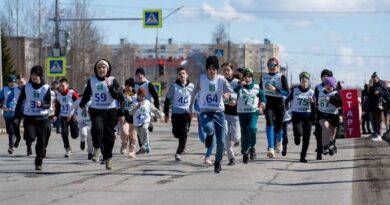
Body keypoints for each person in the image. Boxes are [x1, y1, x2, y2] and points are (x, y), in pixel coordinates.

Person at [189, 55, 234, 173]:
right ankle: (210, 135)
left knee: (221, 141)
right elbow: (193, 94)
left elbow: (232, 92)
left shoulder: (221, 79)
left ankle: (217, 162)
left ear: (217, 69)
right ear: (206, 69)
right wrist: (190, 108)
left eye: (214, 68)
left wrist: (228, 95)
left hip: (219, 111)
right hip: (205, 110)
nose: (211, 70)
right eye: (209, 68)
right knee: (208, 127)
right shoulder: (201, 79)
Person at [79, 59, 124, 170]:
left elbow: (118, 96)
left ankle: (108, 158)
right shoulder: (92, 80)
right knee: (97, 129)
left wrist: (111, 87)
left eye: (104, 67)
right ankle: (97, 148)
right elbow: (87, 94)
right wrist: (82, 104)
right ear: (96, 69)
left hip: (110, 112)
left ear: (107, 69)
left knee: (110, 138)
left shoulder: (112, 80)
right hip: (96, 110)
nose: (101, 69)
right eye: (99, 67)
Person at [14, 65, 51, 171]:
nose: (34, 77)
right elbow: (20, 102)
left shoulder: (46, 87)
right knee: (30, 137)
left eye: (36, 75)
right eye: (33, 75)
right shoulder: (27, 87)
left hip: (42, 118)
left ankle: (38, 162)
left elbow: (48, 103)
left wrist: (42, 104)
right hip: (29, 117)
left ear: (40, 75)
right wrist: (17, 116)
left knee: (41, 142)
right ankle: (30, 144)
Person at [259, 57, 289, 158]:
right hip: (268, 102)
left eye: (273, 65)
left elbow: (287, 92)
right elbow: (260, 91)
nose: (271, 68)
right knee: (269, 123)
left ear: (278, 66)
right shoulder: (264, 77)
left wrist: (276, 89)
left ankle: (279, 141)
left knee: (278, 127)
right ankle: (271, 147)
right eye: (269, 65)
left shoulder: (281, 77)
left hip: (279, 103)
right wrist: (260, 102)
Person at [235, 68, 266, 164]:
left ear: (252, 78)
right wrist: (240, 86)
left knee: (252, 129)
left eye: (249, 77)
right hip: (242, 113)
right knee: (244, 133)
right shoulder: (239, 87)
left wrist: (262, 104)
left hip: (253, 112)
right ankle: (245, 151)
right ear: (243, 78)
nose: (247, 79)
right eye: (245, 77)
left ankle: (252, 147)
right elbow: (232, 93)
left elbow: (263, 97)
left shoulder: (256, 87)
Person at [164, 67, 194, 161]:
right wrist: (166, 114)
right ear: (178, 76)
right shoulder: (174, 86)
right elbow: (167, 99)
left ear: (187, 75)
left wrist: (195, 110)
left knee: (184, 133)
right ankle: (182, 144)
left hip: (186, 113)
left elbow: (196, 99)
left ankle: (178, 152)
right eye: (180, 74)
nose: (182, 75)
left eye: (183, 73)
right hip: (176, 113)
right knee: (176, 133)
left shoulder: (192, 86)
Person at [285, 72, 315, 162]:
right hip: (297, 116)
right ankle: (296, 136)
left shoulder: (312, 92)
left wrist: (312, 103)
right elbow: (286, 101)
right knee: (299, 133)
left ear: (308, 82)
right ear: (300, 81)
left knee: (306, 138)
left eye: (306, 81)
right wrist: (285, 109)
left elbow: (316, 106)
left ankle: (303, 156)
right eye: (302, 81)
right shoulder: (295, 90)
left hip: (308, 117)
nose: (304, 83)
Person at [128, 88, 164, 155]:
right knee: (141, 136)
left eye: (143, 96)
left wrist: (161, 114)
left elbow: (154, 109)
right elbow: (130, 112)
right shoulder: (134, 102)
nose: (142, 97)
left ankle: (145, 146)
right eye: (141, 96)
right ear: (138, 95)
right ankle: (145, 146)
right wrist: (136, 107)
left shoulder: (147, 102)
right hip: (137, 123)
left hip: (145, 120)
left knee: (145, 129)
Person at [134, 68, 160, 150]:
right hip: (137, 110)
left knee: (144, 127)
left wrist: (156, 110)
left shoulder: (148, 84)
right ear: (136, 76)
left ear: (144, 75)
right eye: (138, 74)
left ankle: (145, 143)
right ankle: (143, 146)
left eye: (141, 74)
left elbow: (155, 97)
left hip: (146, 109)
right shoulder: (134, 85)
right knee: (139, 128)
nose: (140, 75)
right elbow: (130, 96)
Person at [54, 78, 80, 158]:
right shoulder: (58, 95)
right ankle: (67, 148)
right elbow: (57, 107)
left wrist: (77, 114)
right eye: (60, 86)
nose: (61, 87)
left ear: (67, 85)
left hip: (73, 117)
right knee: (64, 133)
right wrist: (55, 115)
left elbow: (79, 103)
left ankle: (77, 129)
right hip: (63, 117)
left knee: (74, 135)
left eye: (63, 86)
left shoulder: (72, 93)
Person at [317, 77, 343, 156]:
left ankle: (331, 143)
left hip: (333, 116)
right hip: (322, 115)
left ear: (333, 86)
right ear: (325, 85)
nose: (329, 87)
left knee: (333, 131)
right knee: (325, 126)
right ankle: (325, 147)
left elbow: (340, 103)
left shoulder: (335, 93)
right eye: (327, 85)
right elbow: (317, 102)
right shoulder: (320, 92)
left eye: (331, 85)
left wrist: (331, 99)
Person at [221, 63, 241, 166]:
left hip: (235, 114)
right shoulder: (219, 81)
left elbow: (242, 95)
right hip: (223, 113)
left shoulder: (237, 82)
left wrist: (235, 101)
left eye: (228, 70)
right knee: (226, 136)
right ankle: (231, 158)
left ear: (232, 71)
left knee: (236, 137)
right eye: (224, 70)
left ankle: (238, 140)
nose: (226, 72)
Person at [314, 69, 333, 160]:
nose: (324, 78)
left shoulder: (334, 86)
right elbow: (315, 100)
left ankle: (331, 145)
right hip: (320, 112)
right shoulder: (318, 87)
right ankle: (319, 151)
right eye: (323, 76)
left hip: (331, 113)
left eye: (327, 76)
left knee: (330, 130)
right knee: (318, 133)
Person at [119, 77, 137, 158]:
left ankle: (132, 150)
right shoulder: (121, 93)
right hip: (124, 114)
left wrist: (128, 97)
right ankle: (124, 143)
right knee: (125, 132)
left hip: (133, 115)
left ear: (132, 87)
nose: (127, 88)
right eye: (126, 86)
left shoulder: (135, 94)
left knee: (132, 135)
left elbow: (134, 103)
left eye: (129, 86)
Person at [0, 74, 17, 154]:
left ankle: (11, 146)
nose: (12, 84)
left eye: (13, 82)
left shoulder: (18, 90)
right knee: (9, 130)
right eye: (10, 82)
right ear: (7, 83)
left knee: (12, 130)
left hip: (16, 114)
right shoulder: (4, 89)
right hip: (7, 114)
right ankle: (13, 139)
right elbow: (0, 99)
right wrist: (1, 105)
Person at [368, 72, 386, 141]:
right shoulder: (373, 85)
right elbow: (369, 94)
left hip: (379, 105)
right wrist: (370, 86)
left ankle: (379, 135)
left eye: (375, 79)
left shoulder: (381, 84)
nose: (374, 80)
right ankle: (376, 133)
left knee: (378, 120)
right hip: (374, 105)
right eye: (373, 79)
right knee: (375, 120)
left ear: (377, 78)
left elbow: (385, 93)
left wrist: (379, 92)